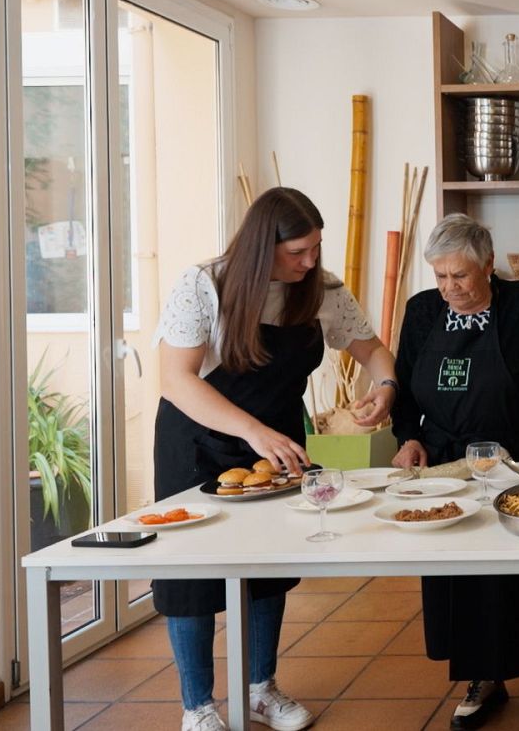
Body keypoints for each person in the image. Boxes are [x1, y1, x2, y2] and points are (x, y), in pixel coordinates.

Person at [153, 188, 398, 731]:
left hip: (277, 437)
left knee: (268, 568)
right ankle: (197, 708)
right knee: (191, 574)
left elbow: (374, 349)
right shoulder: (204, 286)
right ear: (264, 245)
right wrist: (252, 432)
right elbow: (174, 380)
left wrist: (384, 385)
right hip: (198, 439)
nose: (309, 262)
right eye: (297, 252)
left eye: (315, 248)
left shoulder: (323, 290)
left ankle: (260, 689)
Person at [390, 214, 519, 729]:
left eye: (460, 276)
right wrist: (408, 437)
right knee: (460, 570)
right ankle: (482, 676)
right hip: (446, 462)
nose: (450, 289)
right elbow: (404, 391)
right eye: (440, 277)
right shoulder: (421, 312)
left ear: (489, 265)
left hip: (517, 458)